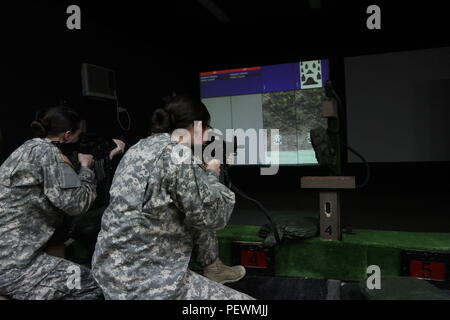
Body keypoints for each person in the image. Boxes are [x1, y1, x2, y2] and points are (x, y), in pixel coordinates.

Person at [91, 95, 253, 299]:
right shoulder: (178, 155)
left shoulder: (139, 147)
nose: (208, 136)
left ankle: (213, 267)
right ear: (196, 127)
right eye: (208, 129)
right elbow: (212, 217)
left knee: (186, 209)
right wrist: (213, 174)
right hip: (146, 282)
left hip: (109, 271)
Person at [0, 106, 122, 300]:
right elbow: (77, 204)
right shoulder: (49, 155)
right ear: (66, 135)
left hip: (9, 258)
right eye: (78, 135)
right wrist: (86, 168)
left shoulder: (26, 149)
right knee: (93, 285)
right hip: (14, 268)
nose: (79, 139)